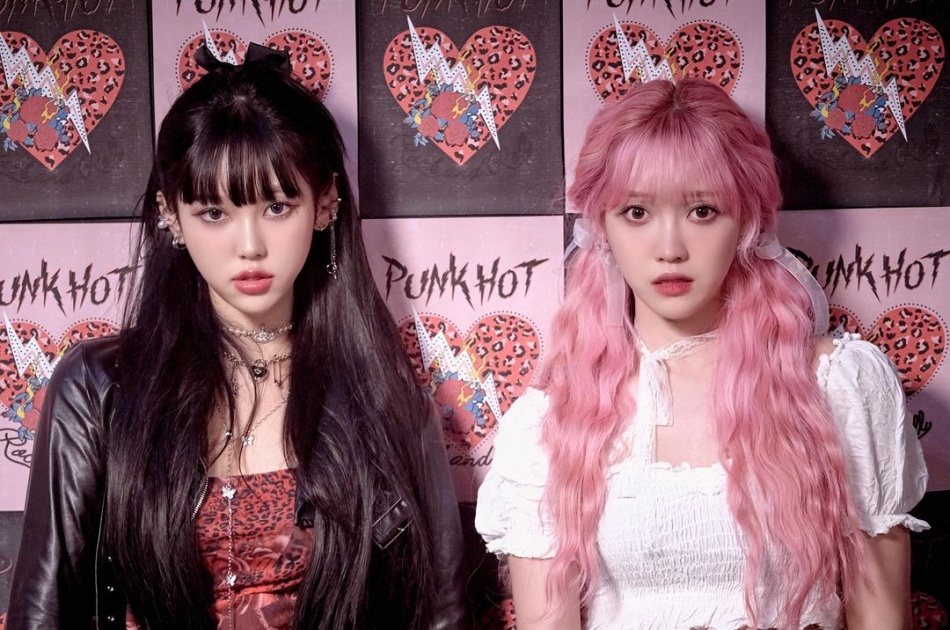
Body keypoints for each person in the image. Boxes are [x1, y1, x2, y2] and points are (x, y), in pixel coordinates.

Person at [8, 44, 467, 630]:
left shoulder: (385, 397)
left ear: (325, 203)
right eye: (214, 213)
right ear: (171, 215)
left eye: (277, 207)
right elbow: (44, 613)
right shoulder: (99, 387)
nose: (249, 246)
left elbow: (440, 614)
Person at [475, 78, 929, 630]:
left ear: (748, 222)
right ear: (600, 228)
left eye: (703, 211)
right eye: (636, 212)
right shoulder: (547, 425)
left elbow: (881, 616)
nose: (670, 249)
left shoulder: (839, 384)